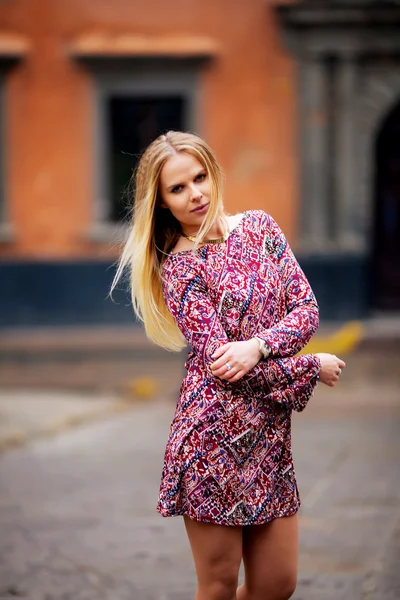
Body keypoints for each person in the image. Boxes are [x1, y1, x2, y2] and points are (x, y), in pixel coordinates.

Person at [111, 131, 346, 600]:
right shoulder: (179, 269)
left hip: (270, 441)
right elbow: (226, 369)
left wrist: (258, 344)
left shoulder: (261, 228)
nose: (195, 193)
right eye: (178, 188)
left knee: (277, 585)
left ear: (213, 173)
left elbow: (306, 309)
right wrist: (310, 364)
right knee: (218, 587)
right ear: (161, 203)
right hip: (211, 442)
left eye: (199, 177)